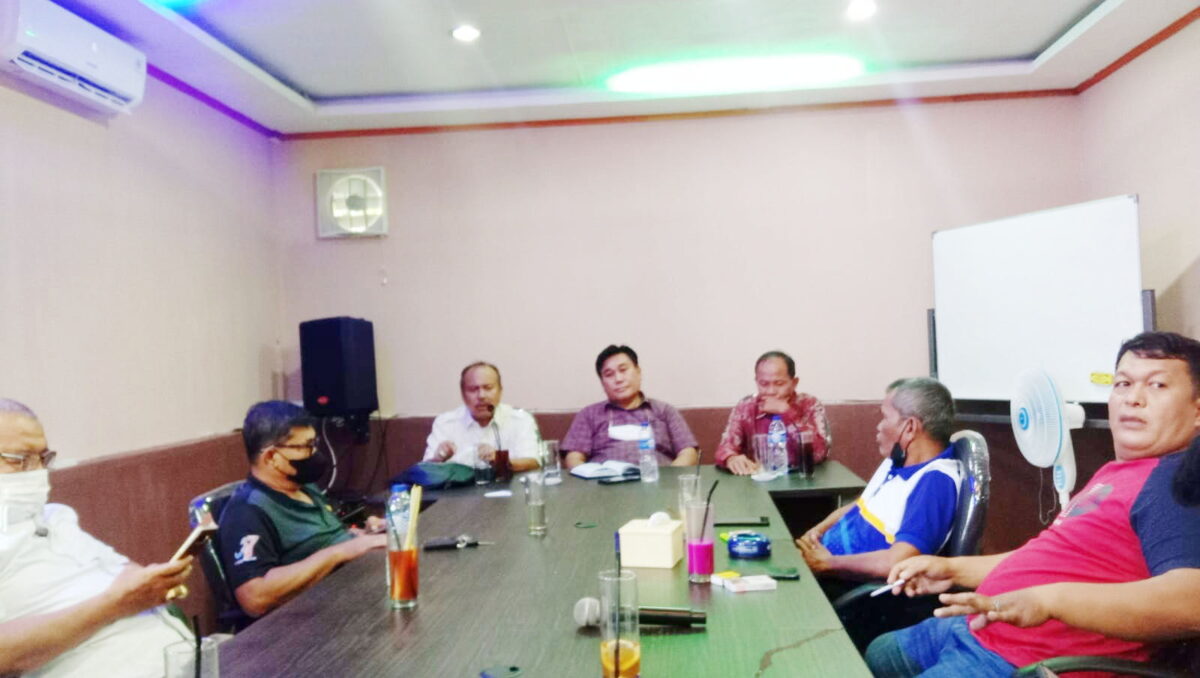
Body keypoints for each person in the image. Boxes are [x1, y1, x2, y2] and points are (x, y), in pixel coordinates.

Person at [867, 331, 1200, 677]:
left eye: (1157, 385)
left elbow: (1191, 601)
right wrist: (952, 569)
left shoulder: (1176, 482)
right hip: (978, 626)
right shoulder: (1117, 473)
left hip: (1022, 661)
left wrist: (1050, 601)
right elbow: (1048, 558)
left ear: (1197, 411)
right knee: (879, 653)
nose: (1133, 398)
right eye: (1123, 384)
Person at [0, 399, 195, 677]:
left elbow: (125, 571)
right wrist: (116, 603)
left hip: (184, 659)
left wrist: (151, 584)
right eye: (20, 460)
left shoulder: (56, 518)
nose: (38, 472)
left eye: (43, 459)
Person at [217, 401, 385, 627]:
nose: (314, 453)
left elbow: (326, 536)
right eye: (305, 446)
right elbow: (254, 597)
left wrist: (364, 532)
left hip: (355, 592)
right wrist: (340, 552)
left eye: (314, 443)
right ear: (271, 457)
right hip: (313, 624)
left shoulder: (305, 488)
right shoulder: (246, 512)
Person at [795, 378, 962, 593]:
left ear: (909, 427)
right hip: (821, 566)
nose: (879, 426)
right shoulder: (897, 462)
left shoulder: (935, 483)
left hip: (845, 588)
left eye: (884, 417)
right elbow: (860, 505)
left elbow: (899, 561)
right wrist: (815, 533)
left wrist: (827, 563)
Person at [563, 345, 699, 469]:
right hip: (604, 484)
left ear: (638, 372)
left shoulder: (664, 411)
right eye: (609, 374)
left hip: (657, 481)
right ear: (602, 383)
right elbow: (574, 457)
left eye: (623, 370)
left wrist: (667, 479)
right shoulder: (589, 414)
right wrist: (592, 477)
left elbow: (688, 452)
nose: (618, 379)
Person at [715, 350, 832, 475]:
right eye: (763, 384)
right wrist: (731, 458)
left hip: (802, 478)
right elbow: (725, 447)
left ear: (794, 383)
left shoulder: (809, 404)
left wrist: (788, 413)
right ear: (756, 382)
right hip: (758, 480)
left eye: (779, 384)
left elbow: (819, 454)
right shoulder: (746, 407)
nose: (771, 391)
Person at [423, 361, 541, 473]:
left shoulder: (520, 420)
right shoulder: (445, 423)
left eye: (488, 388)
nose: (481, 396)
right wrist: (438, 459)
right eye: (473, 389)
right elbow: (425, 470)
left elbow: (533, 462)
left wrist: (499, 460)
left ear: (500, 391)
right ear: (463, 394)